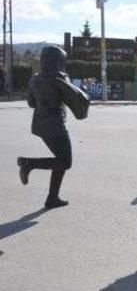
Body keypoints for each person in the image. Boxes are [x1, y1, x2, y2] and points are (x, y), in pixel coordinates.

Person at [17, 46, 87, 209]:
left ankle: (52, 198)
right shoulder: (59, 78)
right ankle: (29, 164)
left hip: (41, 125)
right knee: (65, 162)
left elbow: (31, 103)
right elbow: (74, 98)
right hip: (55, 126)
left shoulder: (35, 78)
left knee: (59, 160)